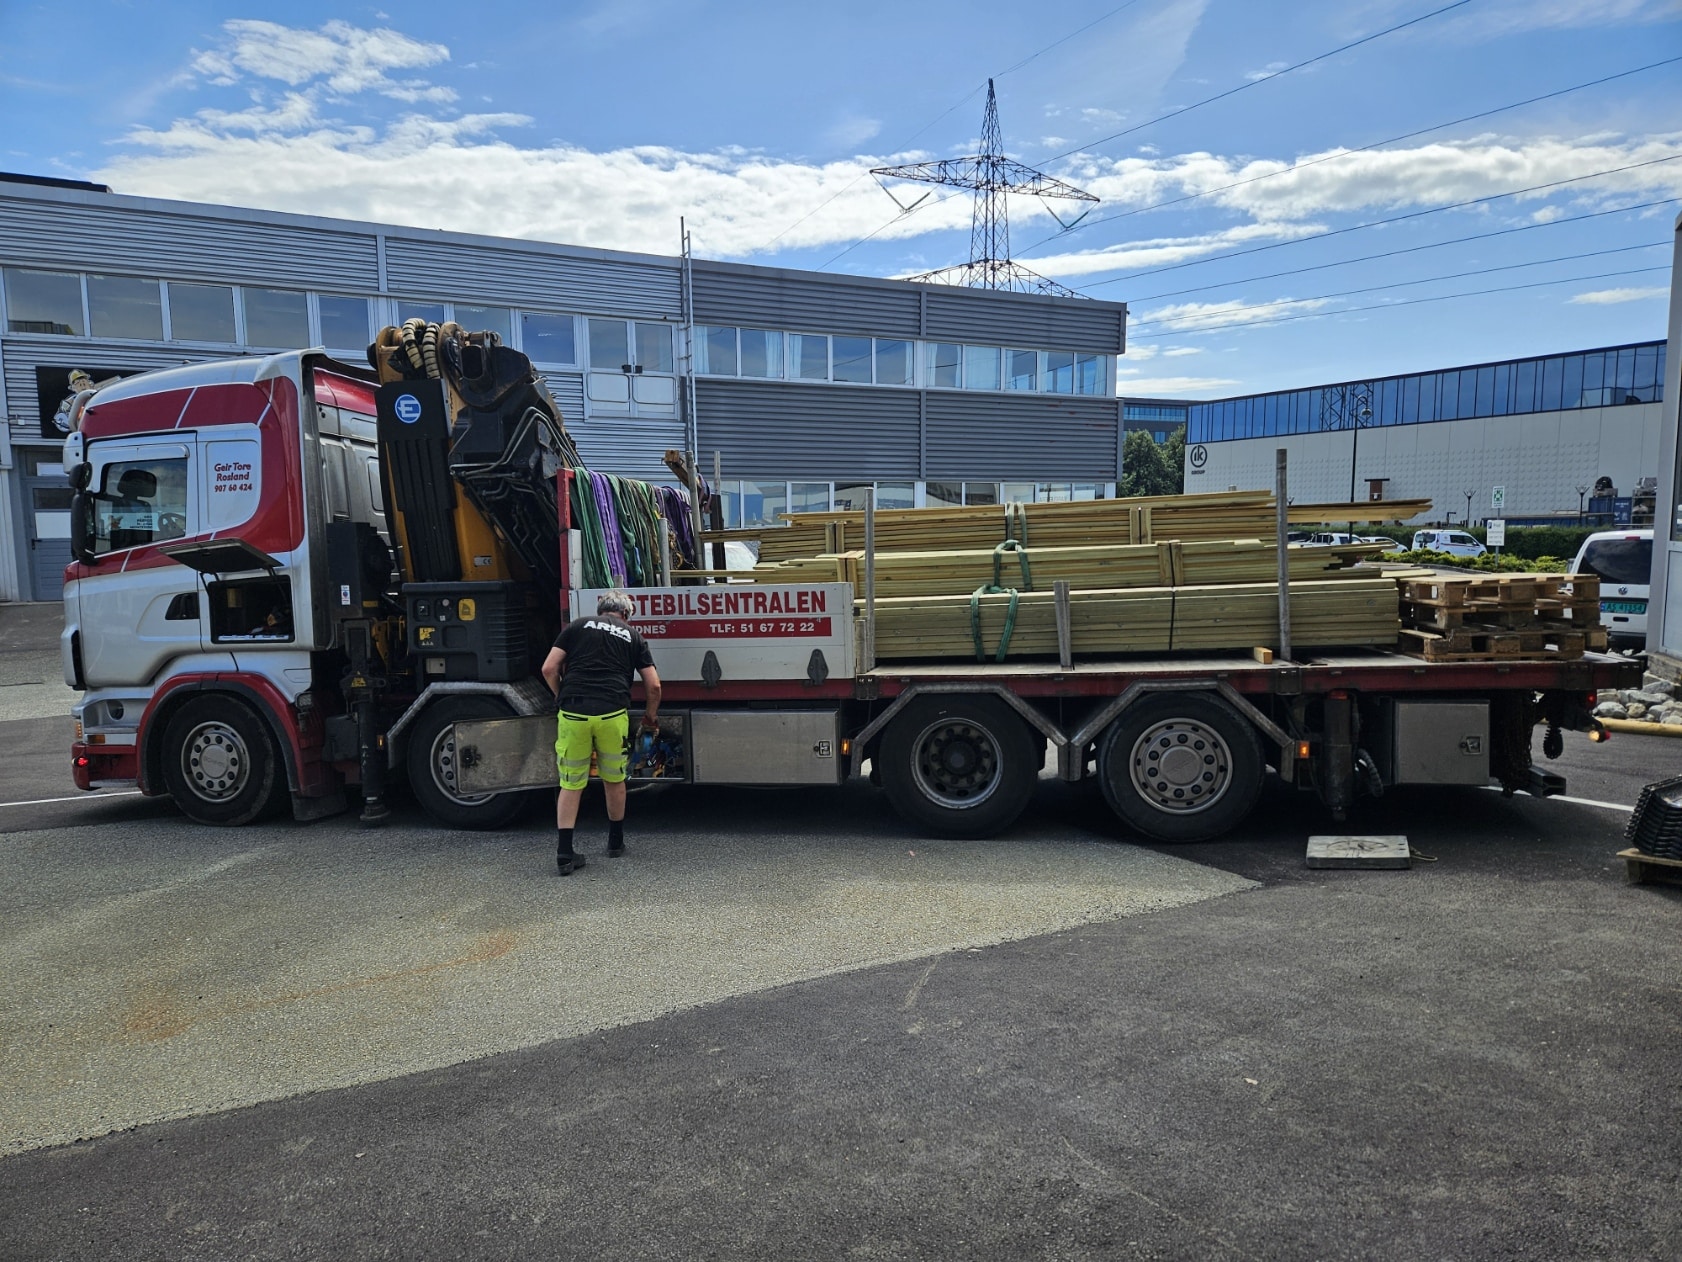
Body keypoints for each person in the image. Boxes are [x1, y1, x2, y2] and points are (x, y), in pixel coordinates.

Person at [540, 590, 661, 876]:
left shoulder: (577, 626)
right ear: (626, 614)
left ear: (601, 610)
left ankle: (564, 854)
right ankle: (615, 842)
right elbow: (654, 686)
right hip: (611, 713)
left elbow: (548, 668)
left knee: (571, 783)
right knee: (614, 778)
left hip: (573, 713)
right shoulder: (633, 636)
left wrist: (561, 696)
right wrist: (650, 716)